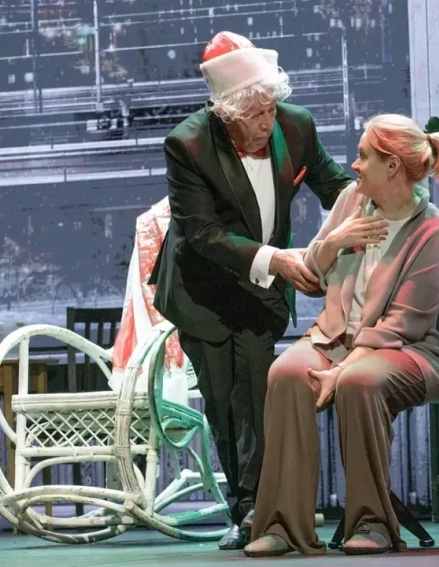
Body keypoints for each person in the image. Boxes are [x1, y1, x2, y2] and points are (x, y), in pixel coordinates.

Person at [149, 31, 352, 550]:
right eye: (255, 115)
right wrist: (277, 260)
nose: (267, 123)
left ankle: (265, 510)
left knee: (257, 400)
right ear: (227, 113)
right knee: (223, 406)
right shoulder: (188, 144)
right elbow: (203, 233)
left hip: (260, 293)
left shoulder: (296, 126)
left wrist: (379, 207)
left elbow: (336, 189)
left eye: (270, 109)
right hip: (203, 291)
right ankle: (244, 513)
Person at [243, 114, 439, 557]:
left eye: (363, 156)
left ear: (392, 166)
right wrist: (334, 241)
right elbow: (312, 275)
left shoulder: (433, 231)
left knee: (359, 382)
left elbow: (403, 325)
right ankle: (282, 526)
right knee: (286, 373)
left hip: (406, 349)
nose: (354, 166)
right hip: (334, 339)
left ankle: (372, 521)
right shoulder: (350, 200)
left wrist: (341, 371)